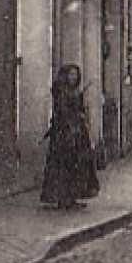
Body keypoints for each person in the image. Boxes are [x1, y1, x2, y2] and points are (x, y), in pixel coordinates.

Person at [41, 64, 100, 210]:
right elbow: (63, 112)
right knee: (64, 166)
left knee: (77, 166)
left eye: (75, 75)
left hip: (77, 133)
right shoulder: (61, 92)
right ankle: (63, 197)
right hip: (64, 135)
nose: (73, 78)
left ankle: (72, 196)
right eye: (70, 75)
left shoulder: (72, 92)